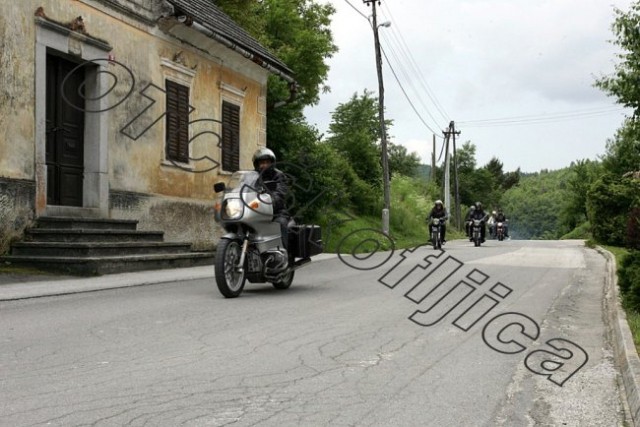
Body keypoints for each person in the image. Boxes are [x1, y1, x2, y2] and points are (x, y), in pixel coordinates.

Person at [252, 147, 291, 250]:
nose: (263, 165)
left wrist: (271, 201)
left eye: (266, 162)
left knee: (280, 224)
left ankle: (283, 253)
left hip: (277, 212)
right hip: (256, 212)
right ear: (257, 164)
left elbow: (280, 193)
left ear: (271, 163)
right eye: (261, 163)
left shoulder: (279, 175)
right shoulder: (253, 176)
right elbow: (244, 188)